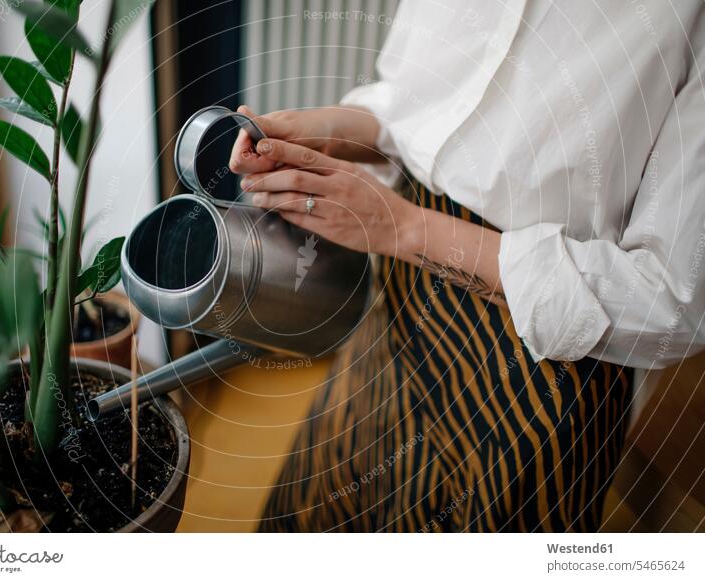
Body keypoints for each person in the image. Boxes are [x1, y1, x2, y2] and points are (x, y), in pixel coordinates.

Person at [229, 0, 705, 532]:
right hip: (402, 301)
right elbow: (413, 105)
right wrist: (322, 129)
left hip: (532, 378)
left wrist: (404, 229)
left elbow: (672, 300)